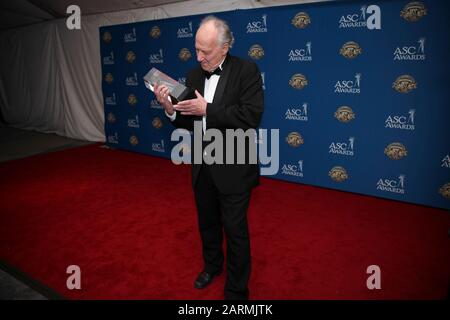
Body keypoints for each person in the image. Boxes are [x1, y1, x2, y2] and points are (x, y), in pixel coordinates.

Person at [153, 15, 264, 300]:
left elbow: (250, 117)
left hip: (235, 166)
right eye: (196, 49)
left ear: (225, 47)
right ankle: (212, 266)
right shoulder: (192, 75)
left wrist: (208, 110)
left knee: (235, 232)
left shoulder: (247, 70)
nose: (199, 56)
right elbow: (189, 121)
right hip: (202, 166)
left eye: (206, 51)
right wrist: (170, 109)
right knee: (208, 224)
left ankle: (237, 290)